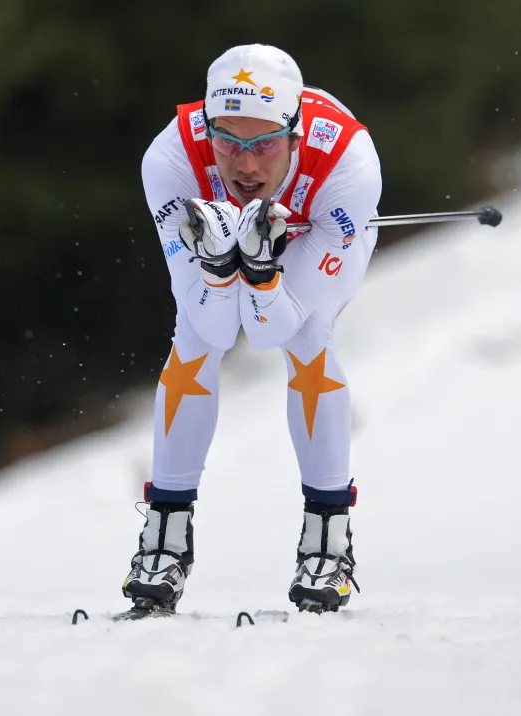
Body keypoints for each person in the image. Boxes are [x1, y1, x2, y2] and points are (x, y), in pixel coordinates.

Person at [122, 43, 381, 614]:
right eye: (228, 142)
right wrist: (220, 268)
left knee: (307, 339)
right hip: (228, 235)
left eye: (263, 144)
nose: (244, 166)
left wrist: (262, 275)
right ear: (207, 129)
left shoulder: (348, 164)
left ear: (293, 134)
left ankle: (328, 542)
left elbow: (269, 332)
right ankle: (165, 536)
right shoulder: (170, 160)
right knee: (191, 343)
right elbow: (212, 327)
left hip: (320, 228)